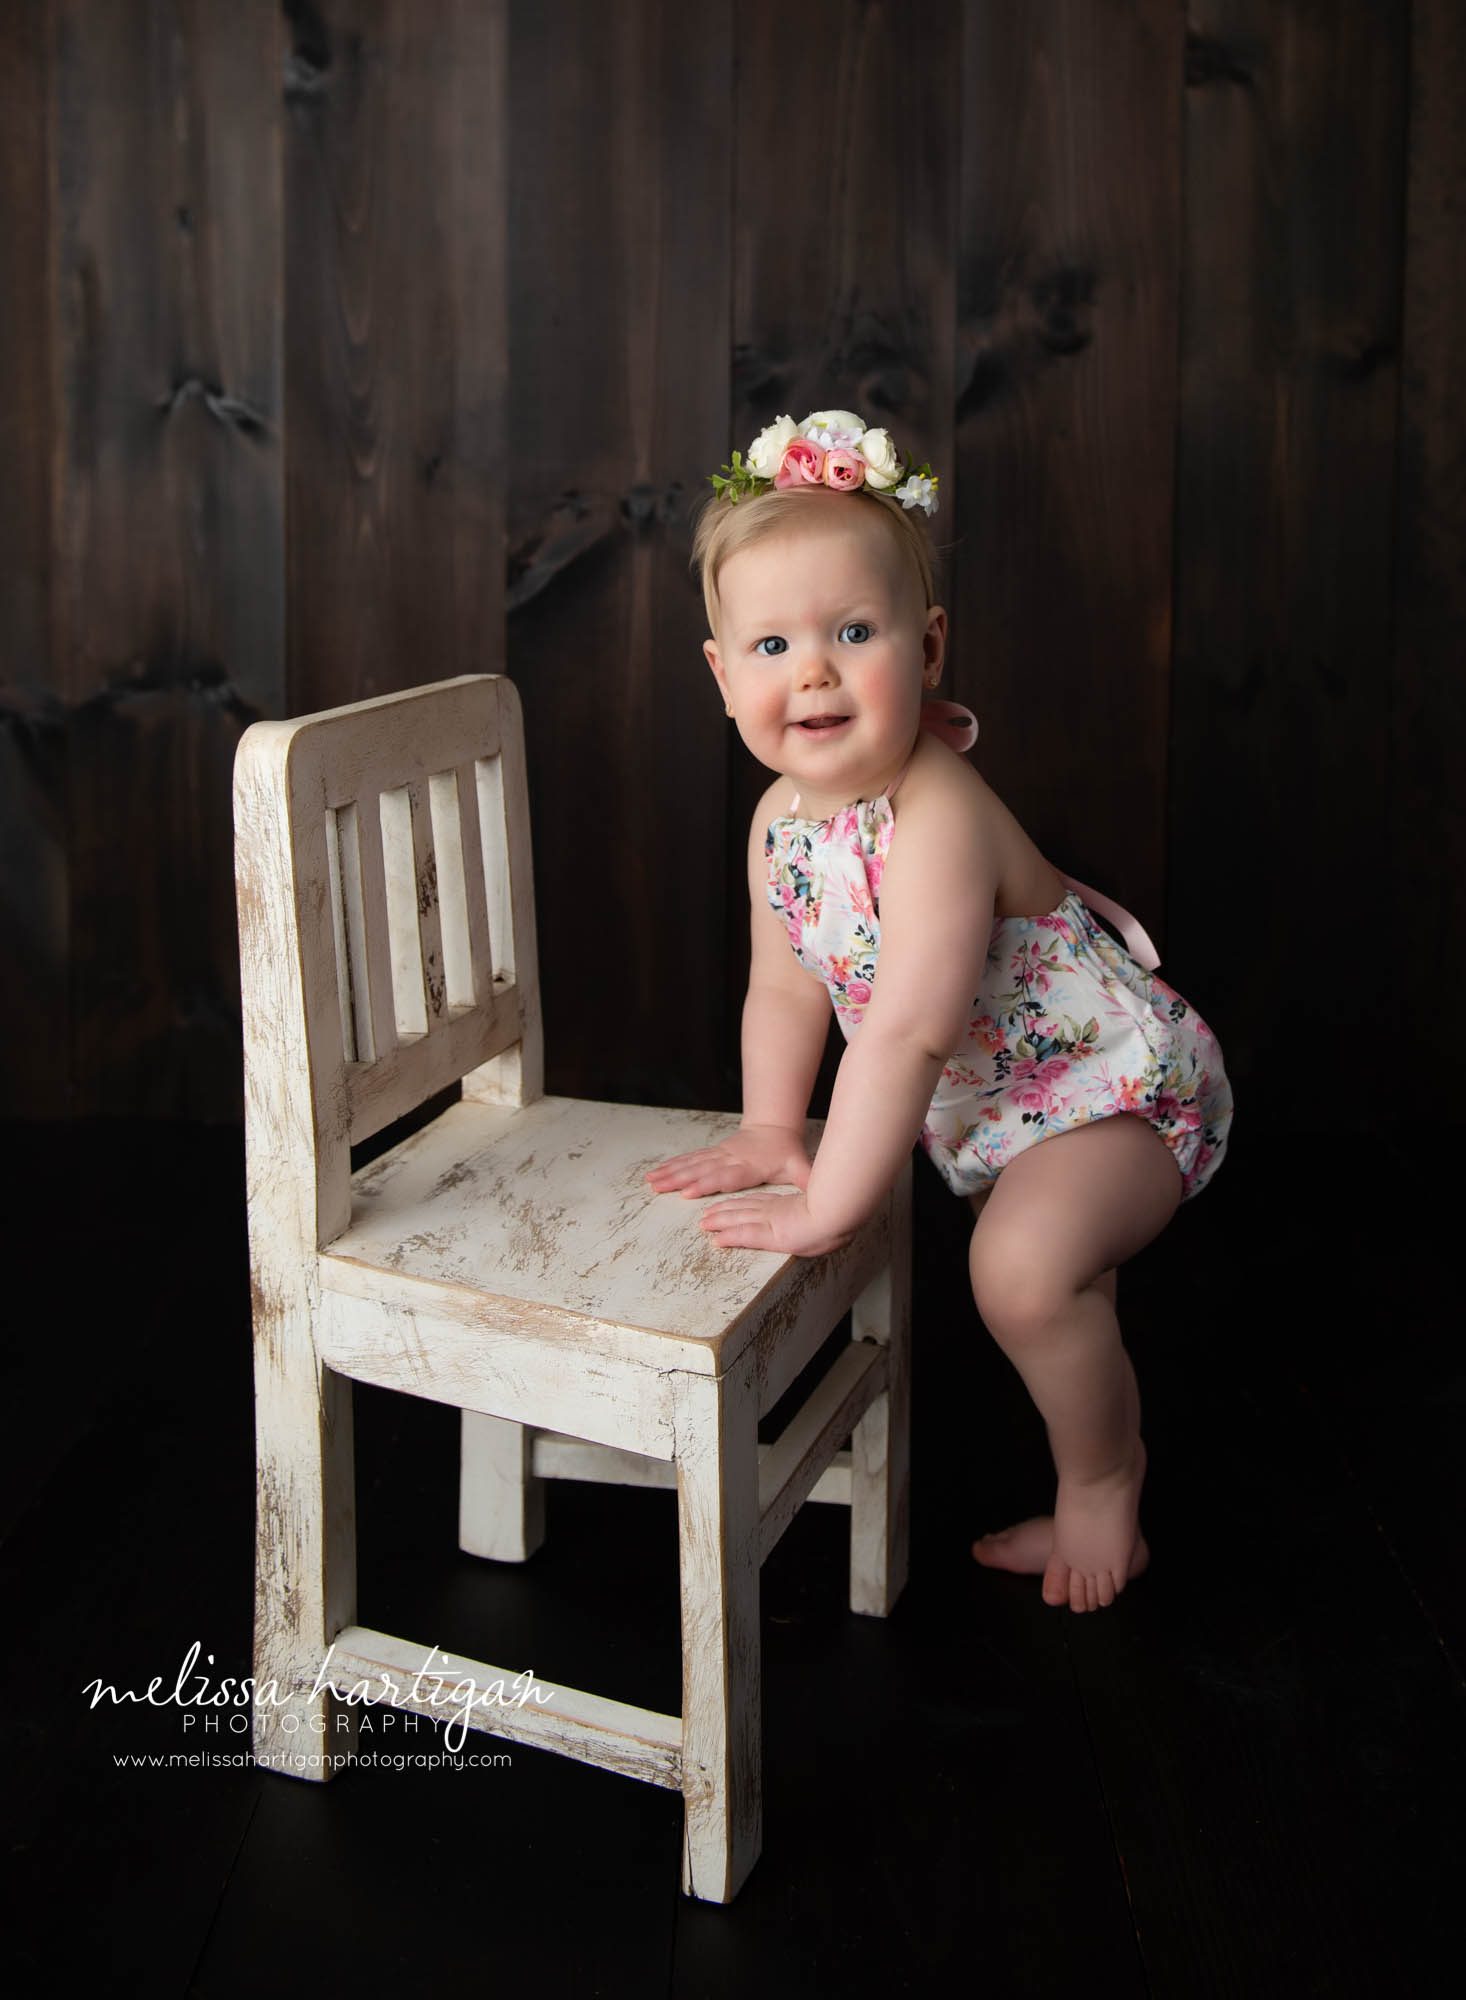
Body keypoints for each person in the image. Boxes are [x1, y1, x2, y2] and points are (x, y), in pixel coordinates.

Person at [644, 408, 1234, 1613]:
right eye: (768, 644)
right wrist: (771, 1130)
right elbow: (784, 984)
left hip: (1114, 1089)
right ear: (720, 675)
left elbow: (908, 1025)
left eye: (851, 632)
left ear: (927, 646)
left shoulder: (938, 816)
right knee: (1049, 1273)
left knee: (1017, 1272)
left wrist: (830, 1201)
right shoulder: (781, 824)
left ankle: (1102, 1481)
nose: (808, 670)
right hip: (999, 1115)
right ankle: (1089, 1400)